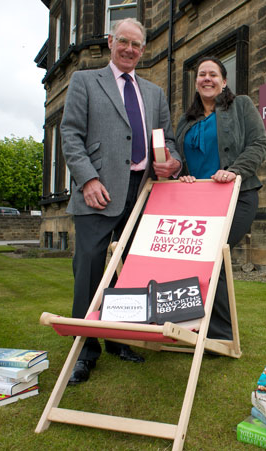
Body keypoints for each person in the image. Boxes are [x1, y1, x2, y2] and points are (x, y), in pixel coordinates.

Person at [61, 18, 182, 384]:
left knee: (132, 273)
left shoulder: (154, 93)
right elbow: (70, 134)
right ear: (112, 41)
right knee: (90, 271)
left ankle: (119, 338)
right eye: (124, 42)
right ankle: (85, 350)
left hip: (143, 192)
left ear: (143, 50)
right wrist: (88, 179)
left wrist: (172, 163)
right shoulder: (84, 81)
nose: (130, 49)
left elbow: (168, 140)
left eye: (137, 45)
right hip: (98, 191)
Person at [175, 56, 266, 341]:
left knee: (213, 254)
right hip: (196, 201)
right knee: (196, 258)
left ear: (224, 81)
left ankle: (219, 335)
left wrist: (235, 170)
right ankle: (194, 327)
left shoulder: (241, 106)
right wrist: (181, 173)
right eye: (202, 74)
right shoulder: (185, 120)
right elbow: (178, 159)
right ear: (196, 82)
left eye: (213, 74)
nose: (207, 78)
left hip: (236, 197)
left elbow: (259, 145)